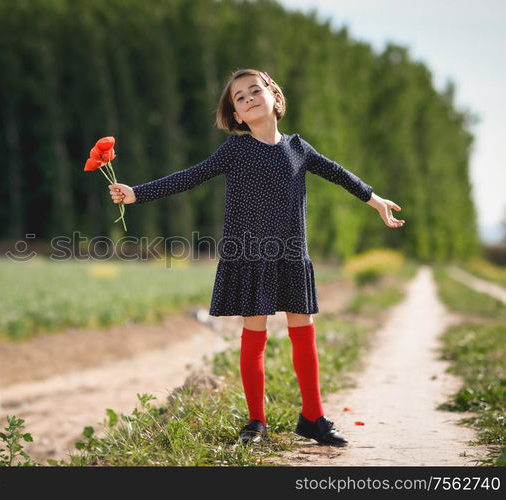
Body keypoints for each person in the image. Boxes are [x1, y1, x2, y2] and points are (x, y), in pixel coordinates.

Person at [107, 68, 405, 447]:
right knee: (255, 333)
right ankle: (256, 422)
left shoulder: (299, 148)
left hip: (292, 252)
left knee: (303, 329)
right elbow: (191, 176)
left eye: (254, 91)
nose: (248, 99)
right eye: (240, 98)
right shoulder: (236, 149)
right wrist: (137, 194)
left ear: (274, 97)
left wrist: (375, 200)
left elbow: (338, 173)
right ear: (236, 116)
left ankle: (313, 416)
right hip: (250, 254)